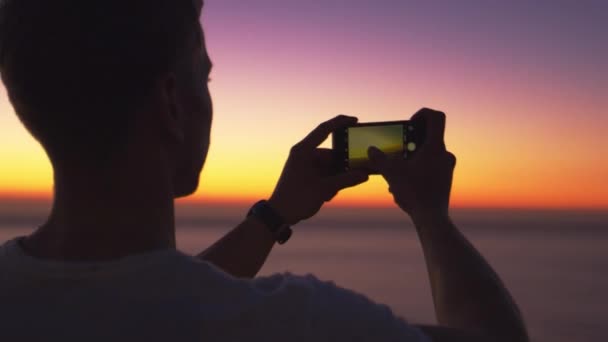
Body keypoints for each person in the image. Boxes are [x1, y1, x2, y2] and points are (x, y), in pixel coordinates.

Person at [0, 0, 529, 341]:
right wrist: (431, 214)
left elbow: (141, 297)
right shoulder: (302, 323)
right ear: (172, 104)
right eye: (204, 78)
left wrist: (275, 214)